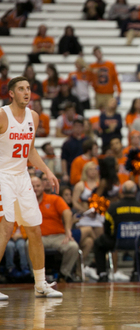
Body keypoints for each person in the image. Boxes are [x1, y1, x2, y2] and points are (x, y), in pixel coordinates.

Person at [0, 77, 63, 300]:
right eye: (21, 89)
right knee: (6, 227)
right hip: (3, 176)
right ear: (11, 94)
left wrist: (47, 170)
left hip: (23, 176)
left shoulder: (33, 117)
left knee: (34, 229)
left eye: (28, 88)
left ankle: (40, 284)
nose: (26, 92)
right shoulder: (2, 115)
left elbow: (30, 151)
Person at [95, 181, 140, 282]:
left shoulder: (113, 208)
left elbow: (107, 228)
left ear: (122, 192)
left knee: (98, 243)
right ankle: (136, 273)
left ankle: (102, 274)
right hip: (137, 243)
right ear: (135, 191)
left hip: (116, 242)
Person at [32, 176, 79, 283]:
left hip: (58, 236)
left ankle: (63, 275)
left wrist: (68, 230)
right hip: (38, 238)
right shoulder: (25, 201)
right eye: (32, 186)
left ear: (43, 186)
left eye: (38, 186)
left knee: (73, 246)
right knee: (27, 244)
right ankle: (36, 277)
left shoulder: (54, 199)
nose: (35, 188)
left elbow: (67, 212)